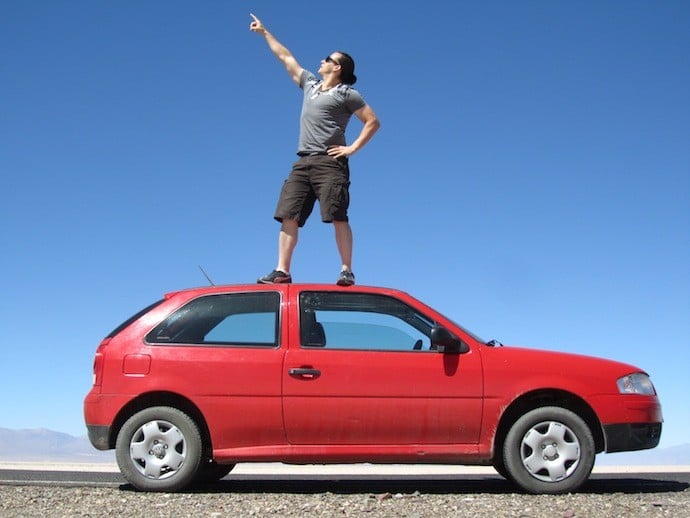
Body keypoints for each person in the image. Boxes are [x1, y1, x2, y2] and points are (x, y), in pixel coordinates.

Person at [250, 13, 380, 286]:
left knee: (337, 215)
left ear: (338, 68)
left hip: (330, 162)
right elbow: (286, 58)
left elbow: (372, 122)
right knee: (288, 214)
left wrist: (352, 148)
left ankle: (346, 270)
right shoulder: (310, 85)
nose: (322, 61)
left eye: (328, 59)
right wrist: (265, 33)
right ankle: (282, 271)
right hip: (302, 161)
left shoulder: (347, 94)